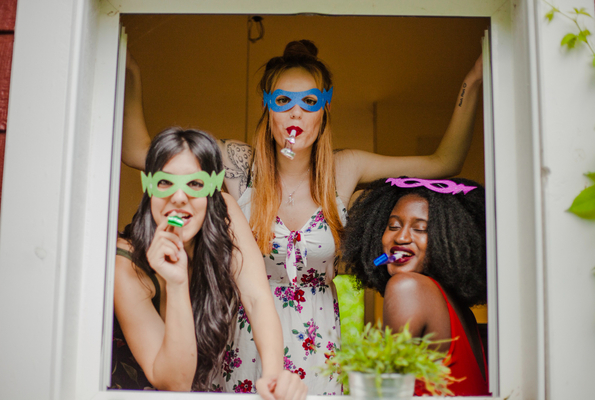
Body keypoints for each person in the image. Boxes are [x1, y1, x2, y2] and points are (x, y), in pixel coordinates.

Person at [121, 40, 483, 395]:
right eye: (283, 100)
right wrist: (130, 75)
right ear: (268, 107)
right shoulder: (237, 164)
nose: (296, 113)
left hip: (321, 339)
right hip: (246, 340)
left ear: (324, 109)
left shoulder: (345, 169)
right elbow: (140, 151)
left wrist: (472, 82)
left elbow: (443, 164)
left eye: (309, 102)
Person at [111, 127, 307, 399]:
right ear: (149, 186)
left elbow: (256, 299)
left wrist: (273, 376)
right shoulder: (127, 264)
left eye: (195, 184)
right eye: (165, 182)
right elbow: (173, 383)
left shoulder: (224, 212)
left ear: (213, 188)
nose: (179, 197)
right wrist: (178, 283)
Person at [342, 176, 489, 396]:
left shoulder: (406, 287)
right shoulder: (459, 310)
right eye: (393, 226)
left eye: (420, 229)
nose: (401, 237)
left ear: (449, 239)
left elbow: (386, 393)